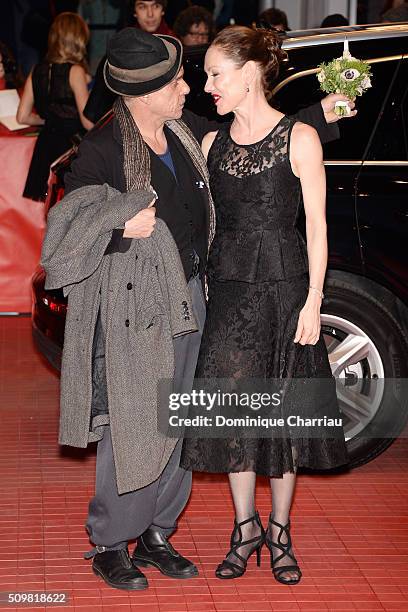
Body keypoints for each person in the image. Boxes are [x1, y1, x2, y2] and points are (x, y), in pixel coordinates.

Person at [41, 25, 353, 591]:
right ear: (145, 92)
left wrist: (327, 111)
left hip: (195, 298)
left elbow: (258, 135)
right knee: (133, 425)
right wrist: (115, 228)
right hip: (137, 310)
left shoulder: (184, 133)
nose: (187, 87)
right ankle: (112, 542)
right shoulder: (105, 150)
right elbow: (64, 230)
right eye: (177, 80)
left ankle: (158, 530)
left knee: (181, 421)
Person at [180, 26, 350, 584]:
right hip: (228, 293)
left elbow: (320, 229)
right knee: (231, 414)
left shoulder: (300, 139)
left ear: (249, 74)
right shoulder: (211, 145)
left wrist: (314, 302)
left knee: (283, 417)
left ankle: (279, 530)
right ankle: (245, 526)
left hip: (285, 291)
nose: (207, 86)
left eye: (215, 74)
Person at [17, 12, 93, 202]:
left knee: (51, 203)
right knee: (73, 204)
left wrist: (49, 119)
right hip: (70, 146)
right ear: (79, 39)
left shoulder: (37, 70)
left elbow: (23, 117)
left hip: (46, 144)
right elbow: (86, 121)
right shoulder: (75, 71)